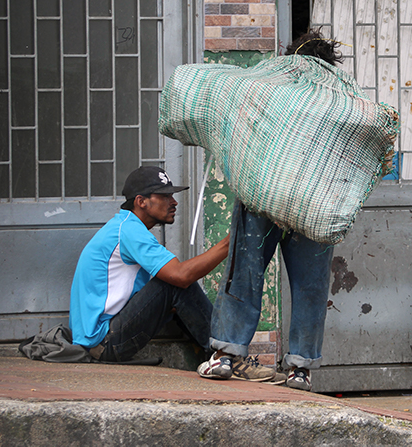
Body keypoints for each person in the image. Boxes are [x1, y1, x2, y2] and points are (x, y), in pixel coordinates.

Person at [197, 30, 343, 391]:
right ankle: (300, 368)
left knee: (244, 272)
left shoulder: (268, 90)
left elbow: (240, 131)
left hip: (262, 195)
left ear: (290, 60)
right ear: (330, 67)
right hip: (315, 202)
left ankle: (226, 355)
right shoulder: (337, 101)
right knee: (310, 285)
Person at [69, 166, 230, 365]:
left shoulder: (125, 226)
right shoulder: (129, 231)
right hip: (104, 342)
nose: (174, 202)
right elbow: (180, 276)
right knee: (175, 283)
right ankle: (227, 356)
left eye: (172, 195)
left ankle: (217, 355)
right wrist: (229, 243)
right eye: (164, 196)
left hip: (102, 339)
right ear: (141, 201)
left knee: (174, 288)